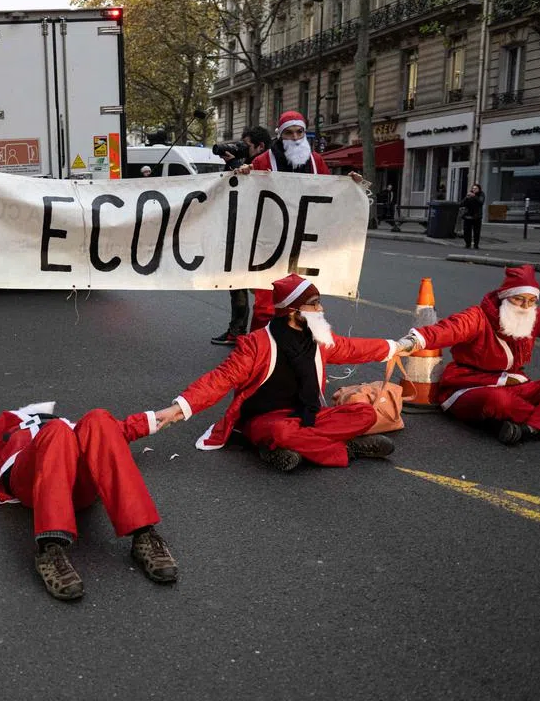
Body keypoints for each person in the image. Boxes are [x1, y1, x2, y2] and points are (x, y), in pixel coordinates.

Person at [0, 401, 178, 601]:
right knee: (56, 431)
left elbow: (127, 428)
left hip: (77, 482)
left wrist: (175, 411)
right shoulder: (4, 435)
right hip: (32, 481)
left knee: (99, 418)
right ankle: (49, 550)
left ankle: (144, 535)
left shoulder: (72, 427)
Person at [156, 274, 404, 472]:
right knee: (281, 432)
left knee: (364, 412)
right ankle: (346, 449)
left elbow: (352, 348)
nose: (321, 309)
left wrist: (399, 346)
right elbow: (219, 380)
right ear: (294, 312)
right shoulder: (256, 344)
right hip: (266, 419)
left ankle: (289, 448)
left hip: (306, 415)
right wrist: (178, 408)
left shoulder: (317, 338)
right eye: (314, 303)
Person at [398, 265, 540, 446]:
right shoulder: (477, 317)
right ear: (504, 298)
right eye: (519, 299)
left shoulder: (532, 316)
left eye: (531, 301)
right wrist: (412, 341)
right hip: (469, 385)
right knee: (498, 400)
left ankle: (527, 429)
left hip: (515, 383)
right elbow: (448, 329)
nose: (525, 307)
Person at [237, 112, 364, 333]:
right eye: (289, 132)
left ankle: (299, 353)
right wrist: (244, 174)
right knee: (265, 307)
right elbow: (247, 197)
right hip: (270, 246)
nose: (295, 137)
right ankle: (257, 353)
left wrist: (352, 186)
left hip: (306, 246)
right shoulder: (263, 160)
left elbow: (331, 195)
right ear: (280, 135)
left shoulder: (317, 161)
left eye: (300, 132)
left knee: (304, 304)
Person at [212, 126, 272, 346]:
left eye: (245, 145)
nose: (240, 149)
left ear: (260, 146)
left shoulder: (267, 164)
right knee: (236, 282)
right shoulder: (243, 165)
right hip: (241, 233)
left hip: (263, 238)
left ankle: (261, 337)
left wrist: (237, 165)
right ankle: (236, 332)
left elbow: (258, 188)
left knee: (262, 290)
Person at [462, 184, 485, 249]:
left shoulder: (481, 194)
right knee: (466, 231)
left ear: (479, 189)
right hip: (468, 215)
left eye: (476, 188)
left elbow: (481, 202)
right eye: (473, 188)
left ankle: (476, 244)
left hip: (477, 216)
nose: (474, 190)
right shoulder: (469, 194)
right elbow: (462, 203)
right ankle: (467, 244)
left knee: (476, 232)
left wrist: (474, 196)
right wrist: (466, 198)